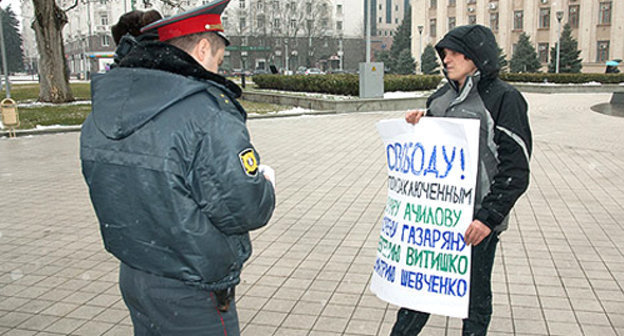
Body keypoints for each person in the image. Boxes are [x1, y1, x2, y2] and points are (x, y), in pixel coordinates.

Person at [80, 0, 276, 334]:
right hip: (193, 288)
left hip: (136, 274)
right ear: (202, 48)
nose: (218, 69)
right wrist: (264, 184)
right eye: (218, 58)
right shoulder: (208, 113)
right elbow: (245, 209)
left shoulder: (108, 105)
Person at [391, 24, 532, 336]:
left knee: (474, 298)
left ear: (477, 56)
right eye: (444, 54)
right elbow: (434, 155)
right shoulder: (439, 99)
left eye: (455, 53)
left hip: (478, 222)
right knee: (419, 293)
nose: (446, 59)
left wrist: (488, 217)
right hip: (437, 221)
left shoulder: (504, 99)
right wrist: (419, 125)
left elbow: (516, 170)